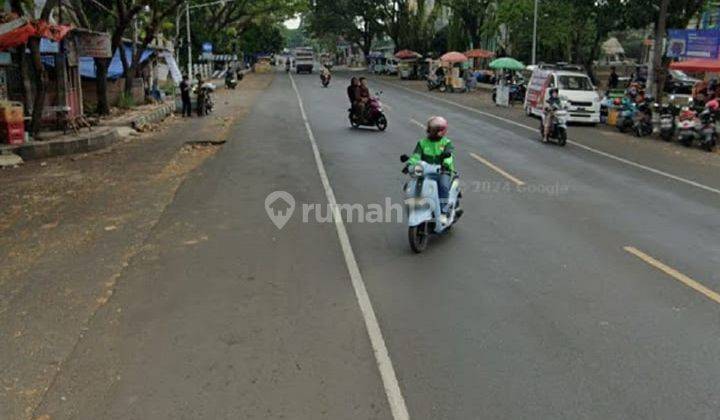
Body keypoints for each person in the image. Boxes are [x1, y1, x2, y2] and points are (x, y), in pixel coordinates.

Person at [406, 116, 456, 219]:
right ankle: (418, 207)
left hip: (442, 172)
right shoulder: (422, 143)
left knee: (443, 186)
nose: (438, 132)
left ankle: (443, 210)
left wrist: (445, 164)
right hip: (425, 172)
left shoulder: (446, 143)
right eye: (436, 129)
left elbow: (449, 156)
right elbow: (416, 156)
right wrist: (410, 164)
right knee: (414, 186)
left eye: (440, 129)